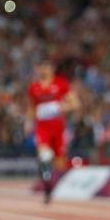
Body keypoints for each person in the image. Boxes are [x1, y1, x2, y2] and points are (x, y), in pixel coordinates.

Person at [26, 60, 80, 204]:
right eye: (41, 67)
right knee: (44, 155)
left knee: (60, 162)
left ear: (52, 69)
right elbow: (32, 107)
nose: (44, 70)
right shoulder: (34, 87)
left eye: (47, 67)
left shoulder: (61, 84)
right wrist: (28, 122)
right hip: (42, 128)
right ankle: (47, 186)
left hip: (58, 128)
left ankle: (57, 184)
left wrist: (59, 107)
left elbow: (75, 103)